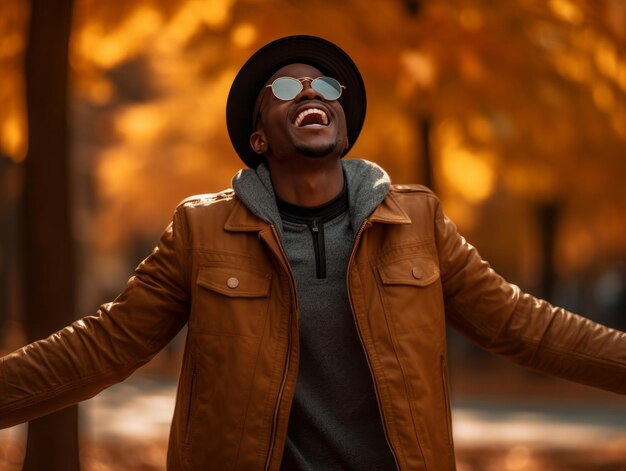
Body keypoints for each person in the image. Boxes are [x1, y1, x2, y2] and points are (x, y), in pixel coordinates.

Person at [1, 35, 625, 471]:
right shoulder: (202, 232)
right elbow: (100, 348)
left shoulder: (417, 221)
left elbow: (527, 327)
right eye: (287, 87)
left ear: (343, 124)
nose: (311, 92)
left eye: (325, 85)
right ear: (257, 136)